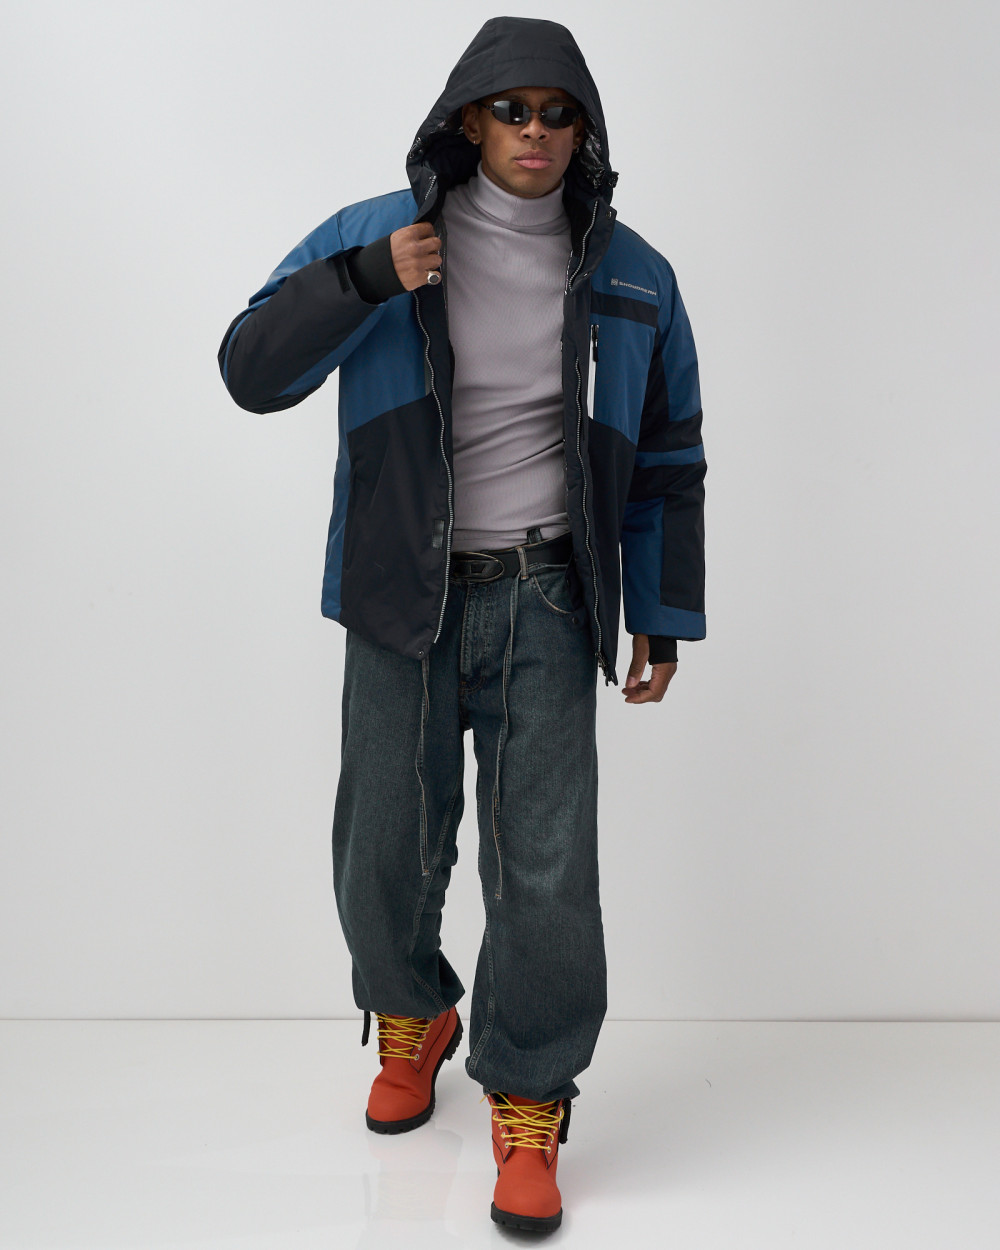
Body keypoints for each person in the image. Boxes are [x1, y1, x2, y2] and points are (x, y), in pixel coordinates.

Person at [218, 15, 706, 1234]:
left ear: (583, 130)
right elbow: (249, 369)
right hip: (403, 591)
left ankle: (529, 1093)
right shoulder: (378, 236)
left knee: (546, 868)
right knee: (381, 846)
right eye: (510, 110)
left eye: (557, 113)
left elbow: (667, 458)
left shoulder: (634, 275)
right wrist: (364, 279)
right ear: (468, 121)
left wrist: (660, 612)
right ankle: (412, 1010)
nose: (534, 132)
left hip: (552, 594)